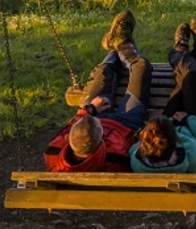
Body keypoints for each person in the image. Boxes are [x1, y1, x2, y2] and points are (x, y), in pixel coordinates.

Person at [42, 11, 151, 173]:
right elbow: (135, 150)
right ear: (101, 141)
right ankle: (120, 44)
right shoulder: (116, 162)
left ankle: (119, 44)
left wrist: (90, 110)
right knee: (141, 66)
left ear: (70, 140)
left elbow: (68, 127)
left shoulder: (54, 153)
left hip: (97, 112)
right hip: (125, 124)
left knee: (103, 72)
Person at [130, 19, 196, 176]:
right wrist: (187, 120)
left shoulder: (138, 161)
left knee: (184, 81)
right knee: (191, 77)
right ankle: (184, 51)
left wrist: (170, 122)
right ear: (177, 140)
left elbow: (133, 148)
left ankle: (189, 50)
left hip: (170, 130)